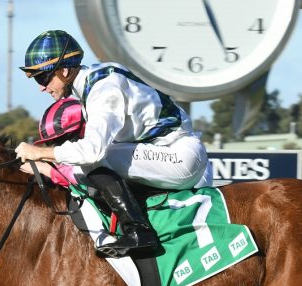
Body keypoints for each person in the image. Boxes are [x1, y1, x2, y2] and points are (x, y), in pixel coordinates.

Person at [13, 29, 212, 258]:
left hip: (180, 156)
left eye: (43, 78)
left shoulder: (103, 89)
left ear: (64, 70)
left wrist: (38, 153)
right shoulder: (92, 83)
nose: (41, 87)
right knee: (88, 166)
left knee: (91, 162)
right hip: (167, 151)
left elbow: (92, 152)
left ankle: (138, 231)